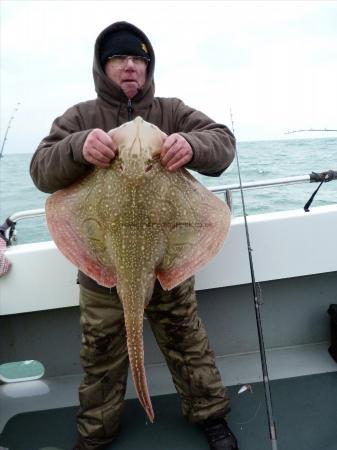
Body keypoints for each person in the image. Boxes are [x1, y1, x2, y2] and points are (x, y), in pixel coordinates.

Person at [30, 21, 238, 450]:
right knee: (102, 355)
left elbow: (223, 142)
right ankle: (96, 435)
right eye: (119, 59)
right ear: (102, 67)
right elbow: (41, 169)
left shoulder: (172, 111)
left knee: (187, 341)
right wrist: (77, 147)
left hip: (167, 261)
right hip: (104, 264)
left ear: (148, 67)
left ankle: (211, 416)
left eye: (139, 59)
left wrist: (194, 146)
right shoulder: (80, 118)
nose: (130, 67)